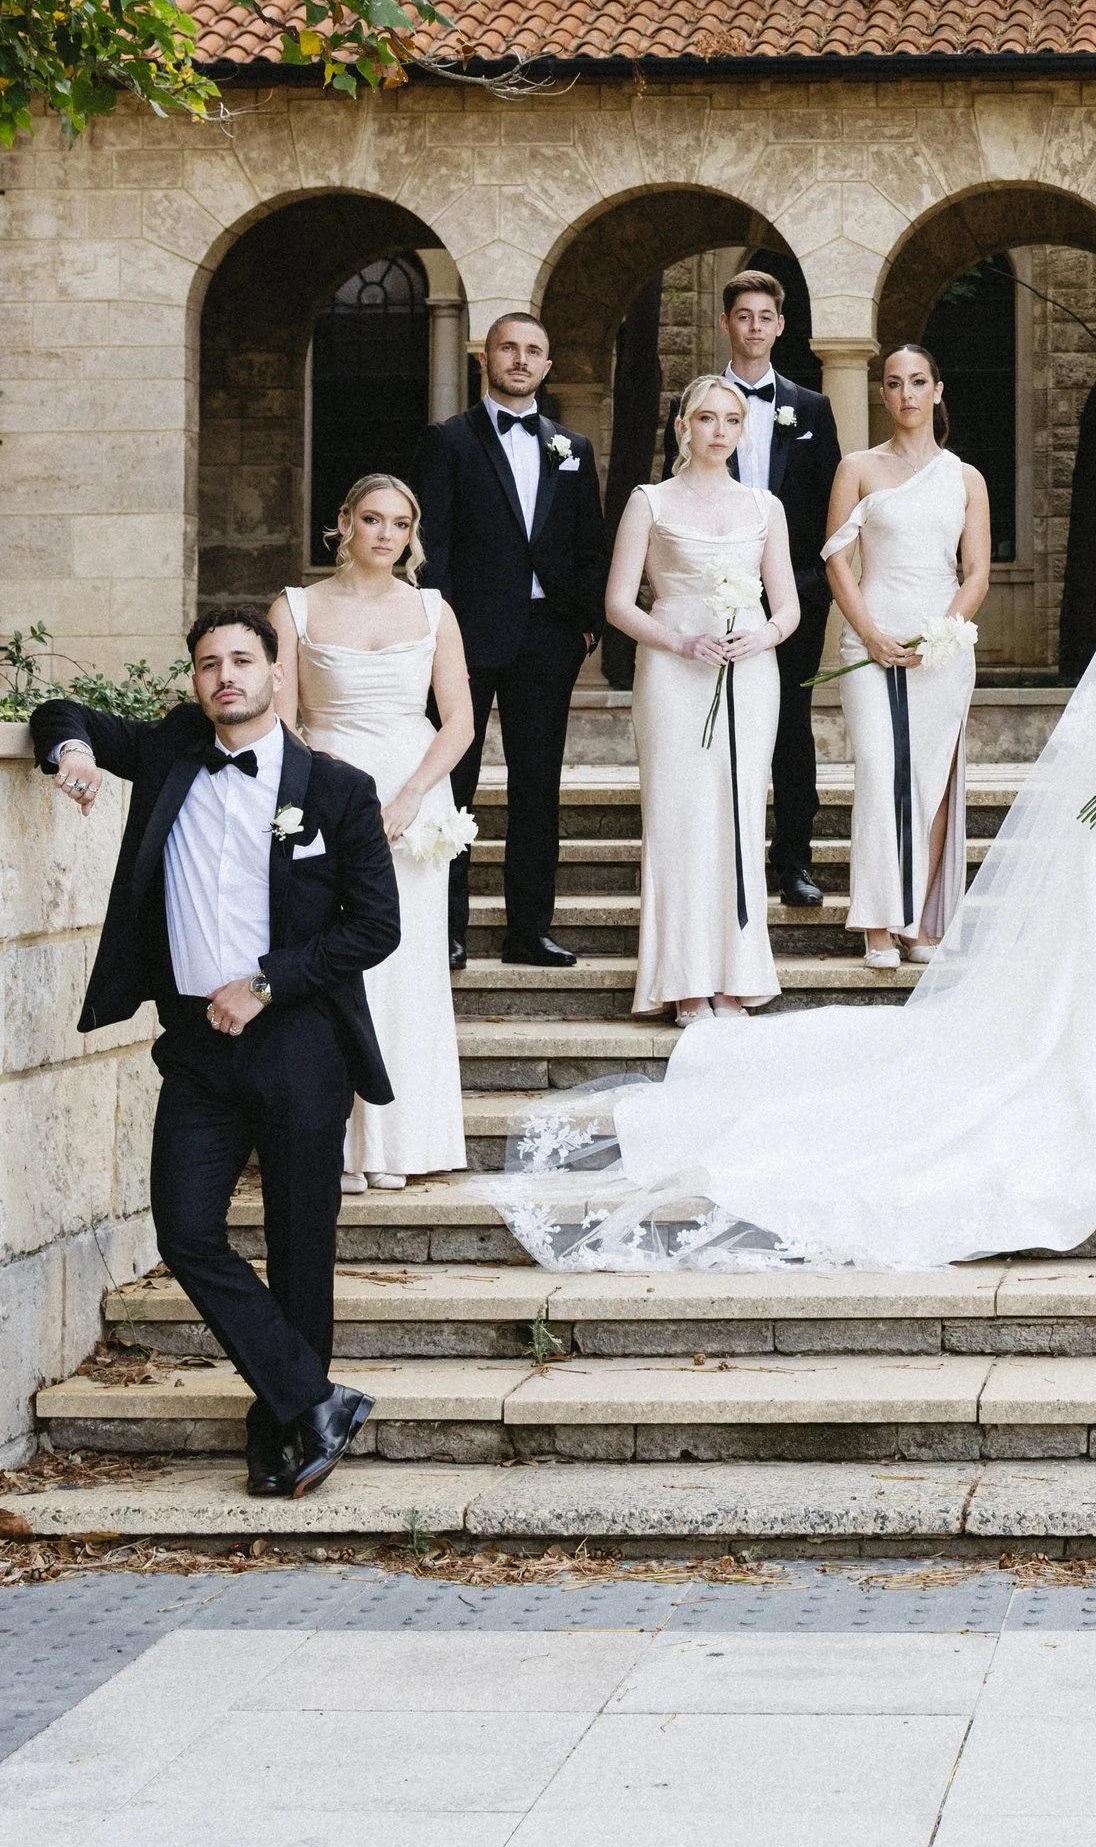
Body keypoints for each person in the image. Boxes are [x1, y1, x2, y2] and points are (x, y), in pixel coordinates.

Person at [490, 498, 1096, 1268]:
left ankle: (886, 931)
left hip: (914, 649)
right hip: (725, 655)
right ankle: (779, 948)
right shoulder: (693, 501)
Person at [30, 607, 400, 1498]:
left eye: (242, 660)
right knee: (186, 1228)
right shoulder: (168, 753)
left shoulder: (340, 790)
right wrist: (71, 758)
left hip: (299, 1039)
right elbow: (59, 713)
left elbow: (375, 928)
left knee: (300, 1241)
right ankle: (314, 1397)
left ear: (277, 673)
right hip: (194, 1043)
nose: (224, 676)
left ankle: (284, 1431)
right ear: (194, 681)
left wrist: (268, 981)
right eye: (207, 664)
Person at [274, 474, 471, 1188]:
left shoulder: (432, 610)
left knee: (405, 966)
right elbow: (283, 723)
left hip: (413, 795)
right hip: (328, 792)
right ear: (343, 523)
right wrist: (320, 799)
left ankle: (402, 1145)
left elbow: (460, 722)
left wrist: (414, 795)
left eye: (400, 523)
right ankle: (339, 1145)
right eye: (372, 519)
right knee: (335, 962)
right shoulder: (295, 608)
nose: (386, 534)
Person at [415, 308, 607, 972]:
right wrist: (435, 632)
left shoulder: (572, 448)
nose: (520, 360)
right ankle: (446, 929)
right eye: (508, 349)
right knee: (453, 783)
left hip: (547, 639)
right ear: (484, 359)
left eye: (533, 351)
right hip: (463, 639)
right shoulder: (448, 442)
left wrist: (585, 624)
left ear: (547, 366)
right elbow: (430, 547)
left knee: (538, 788)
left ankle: (529, 930)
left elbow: (590, 546)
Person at [607, 372, 801, 1022]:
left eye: (731, 420)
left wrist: (762, 635)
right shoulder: (649, 501)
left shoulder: (764, 506)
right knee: (679, 815)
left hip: (748, 675)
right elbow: (616, 604)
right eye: (707, 418)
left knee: (738, 814)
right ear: (683, 426)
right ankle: (685, 978)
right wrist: (679, 643)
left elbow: (789, 607)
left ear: (743, 430)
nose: (719, 431)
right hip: (672, 672)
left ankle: (734, 976)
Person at [662, 268, 841, 909]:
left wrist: (811, 588)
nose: (755, 327)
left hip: (791, 598)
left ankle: (793, 861)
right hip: (711, 595)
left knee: (789, 726)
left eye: (766, 317)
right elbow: (670, 503)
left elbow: (830, 511)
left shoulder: (812, 408)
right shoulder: (692, 408)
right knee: (712, 731)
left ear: (780, 326)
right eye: (744, 316)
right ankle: (716, 858)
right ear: (726, 324)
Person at [822, 342, 991, 969]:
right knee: (878, 769)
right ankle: (876, 924)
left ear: (937, 390)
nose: (907, 395)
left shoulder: (966, 477)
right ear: (883, 394)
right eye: (894, 384)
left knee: (932, 780)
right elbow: (836, 556)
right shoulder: (858, 468)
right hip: (870, 637)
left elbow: (975, 572)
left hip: (940, 648)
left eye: (918, 381)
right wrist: (867, 632)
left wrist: (943, 633)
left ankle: (917, 920)